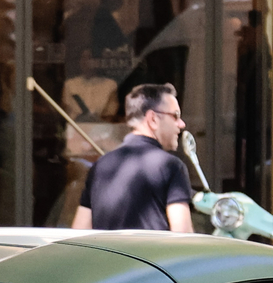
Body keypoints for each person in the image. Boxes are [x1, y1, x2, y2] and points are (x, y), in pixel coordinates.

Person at [72, 82, 193, 233]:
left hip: (108, 256)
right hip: (151, 257)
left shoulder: (100, 166)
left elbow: (79, 232)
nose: (181, 124)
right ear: (153, 119)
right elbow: (183, 237)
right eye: (175, 116)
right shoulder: (171, 166)